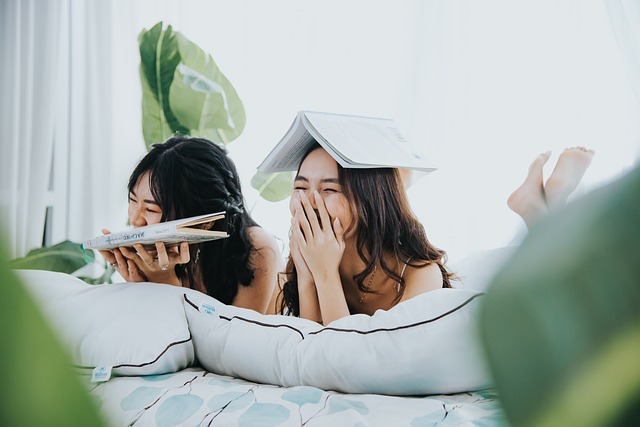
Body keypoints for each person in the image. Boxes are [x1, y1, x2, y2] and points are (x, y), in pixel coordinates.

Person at [272, 144, 594, 325]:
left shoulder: (418, 273)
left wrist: (324, 274)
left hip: (474, 297)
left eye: (328, 189)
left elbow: (346, 357)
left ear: (369, 201)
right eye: (300, 186)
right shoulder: (308, 259)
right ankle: (542, 208)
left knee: (530, 282)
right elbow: (314, 353)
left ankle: (540, 216)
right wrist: (309, 276)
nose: (309, 202)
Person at [99, 135, 284, 314]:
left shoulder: (257, 249)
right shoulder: (160, 255)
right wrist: (141, 287)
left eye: (151, 209)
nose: (136, 220)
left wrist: (165, 284)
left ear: (206, 222)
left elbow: (229, 343)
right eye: (133, 200)